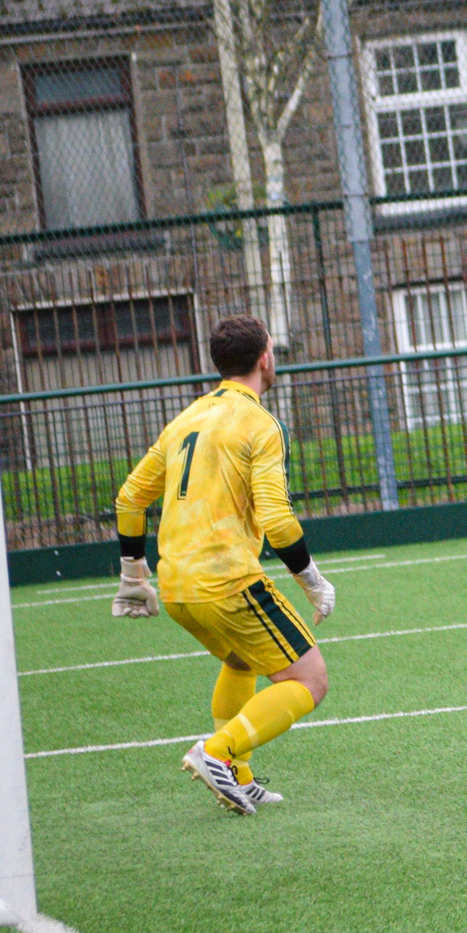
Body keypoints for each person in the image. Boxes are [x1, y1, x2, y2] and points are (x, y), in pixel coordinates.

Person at [110, 315, 339, 816]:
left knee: (241, 660)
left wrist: (133, 577)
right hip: (227, 580)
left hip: (177, 587)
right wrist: (312, 581)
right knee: (310, 681)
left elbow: (130, 497)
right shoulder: (259, 422)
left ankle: (239, 775)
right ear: (265, 358)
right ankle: (218, 752)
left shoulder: (186, 418)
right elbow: (277, 518)